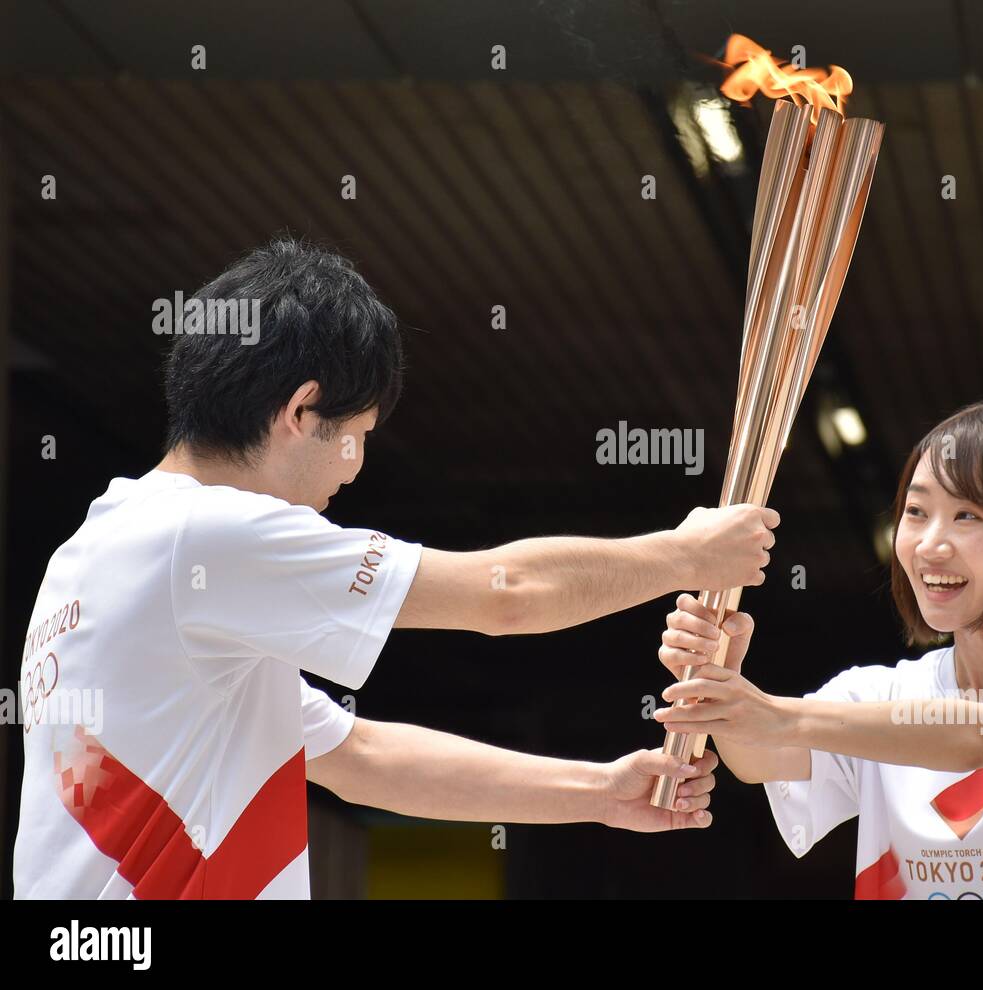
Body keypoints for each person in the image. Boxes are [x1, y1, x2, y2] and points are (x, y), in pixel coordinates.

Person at [13, 238, 779, 899]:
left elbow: (360, 757)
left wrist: (604, 792)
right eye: (360, 432)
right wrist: (687, 554)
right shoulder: (205, 536)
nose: (355, 468)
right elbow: (503, 595)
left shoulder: (100, 551)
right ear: (302, 412)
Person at [654, 399, 983, 899]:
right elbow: (766, 759)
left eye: (968, 515)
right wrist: (717, 681)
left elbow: (978, 736)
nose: (929, 544)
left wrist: (776, 715)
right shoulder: (877, 693)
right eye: (917, 510)